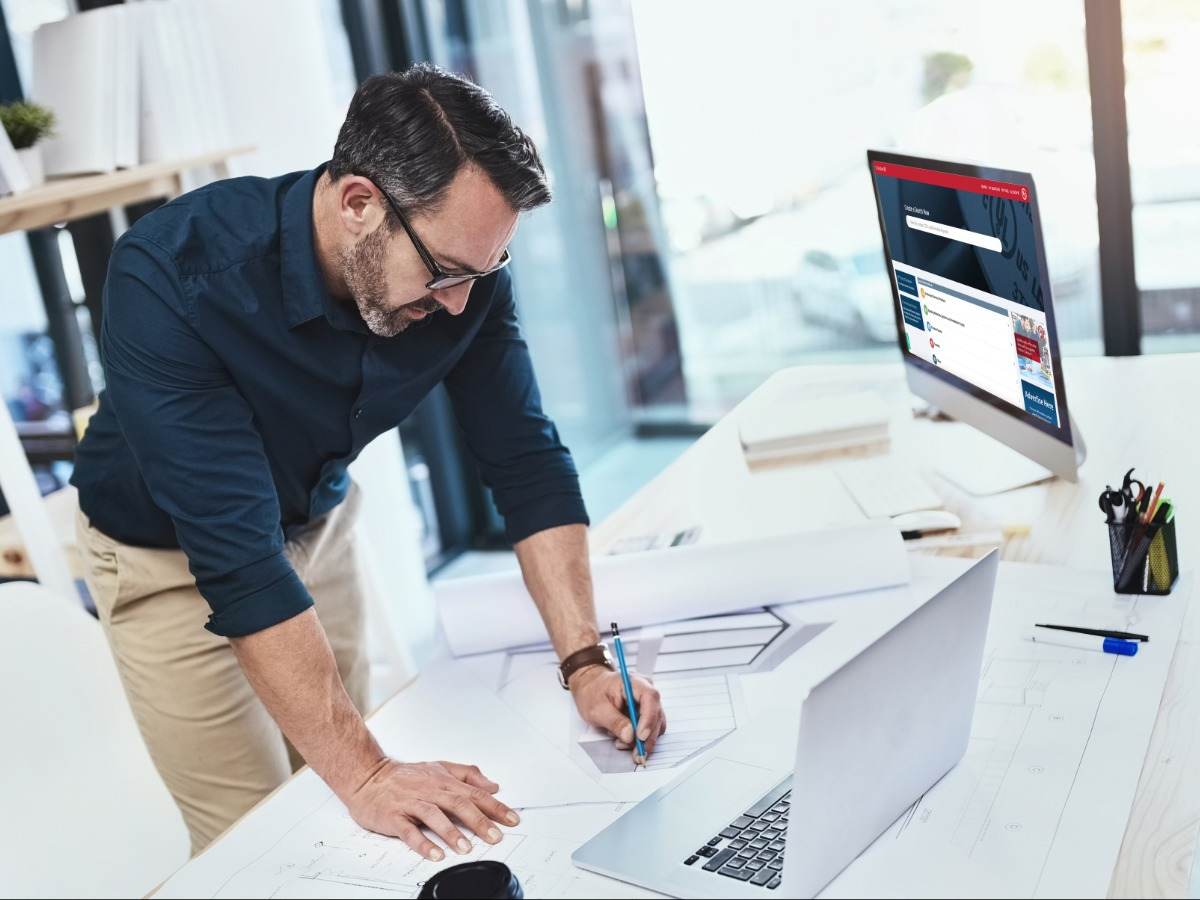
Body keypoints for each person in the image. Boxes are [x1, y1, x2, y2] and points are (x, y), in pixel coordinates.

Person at [71, 64, 667, 859]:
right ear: (360, 204)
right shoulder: (173, 274)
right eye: (446, 273)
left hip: (314, 528)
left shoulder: (466, 272)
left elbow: (525, 459)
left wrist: (585, 662)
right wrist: (367, 775)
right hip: (165, 562)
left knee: (346, 824)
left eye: (482, 275)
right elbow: (239, 560)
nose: (460, 303)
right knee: (259, 847)